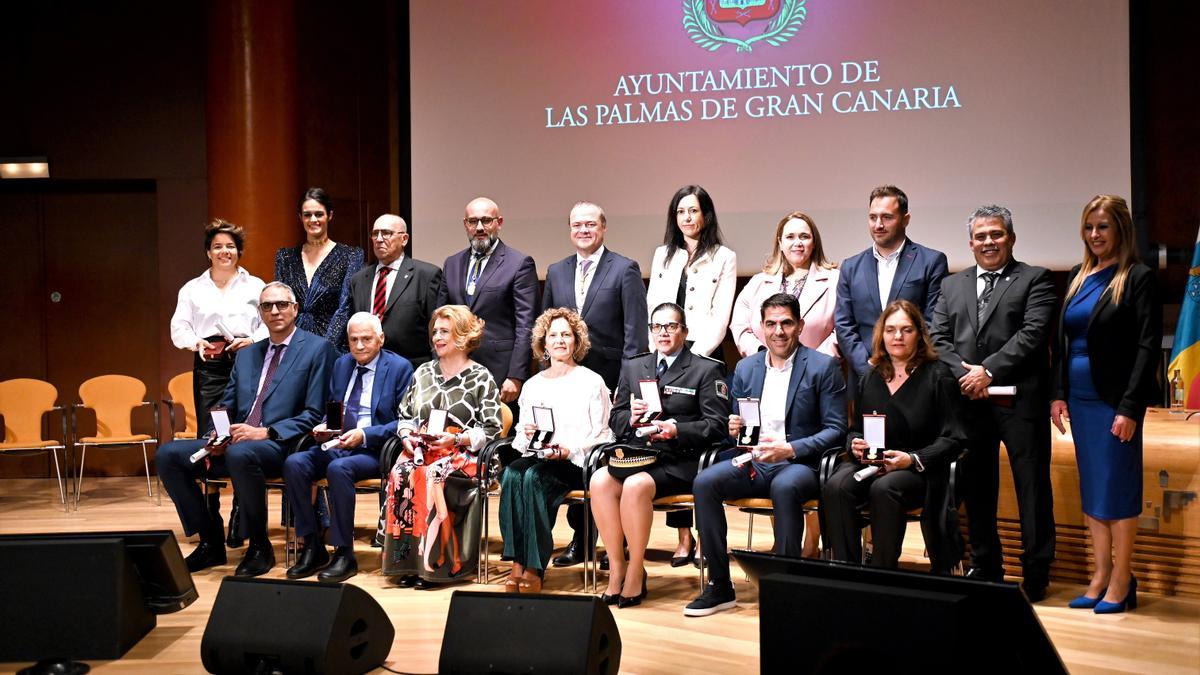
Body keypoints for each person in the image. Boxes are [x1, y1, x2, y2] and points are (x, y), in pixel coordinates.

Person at [156, 282, 336, 576]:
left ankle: (259, 547)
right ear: (260, 313)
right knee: (168, 455)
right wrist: (220, 433)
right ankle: (210, 542)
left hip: (281, 443)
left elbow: (315, 412)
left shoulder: (317, 349)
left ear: (295, 309)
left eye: (281, 305)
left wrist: (266, 432)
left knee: (242, 454)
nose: (275, 311)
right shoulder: (248, 354)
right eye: (267, 306)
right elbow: (226, 403)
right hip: (238, 441)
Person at [686, 293, 846, 617]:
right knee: (704, 482)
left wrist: (791, 448)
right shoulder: (746, 368)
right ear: (761, 328)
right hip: (754, 460)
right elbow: (740, 425)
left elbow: (836, 429)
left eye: (786, 323)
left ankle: (784, 586)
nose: (779, 331)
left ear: (800, 326)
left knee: (784, 488)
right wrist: (733, 427)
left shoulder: (823, 367)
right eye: (771, 324)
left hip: (798, 463)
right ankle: (719, 586)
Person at [930, 205, 1057, 600]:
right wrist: (967, 375)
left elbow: (1032, 334)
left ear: (1011, 238)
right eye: (981, 236)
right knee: (978, 487)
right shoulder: (952, 286)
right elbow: (937, 339)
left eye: (996, 234)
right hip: (969, 402)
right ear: (970, 243)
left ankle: (1036, 571)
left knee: (1031, 488)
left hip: (1020, 403)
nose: (989, 242)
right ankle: (986, 564)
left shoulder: (1036, 280)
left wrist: (988, 371)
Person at [1052, 195, 1161, 614]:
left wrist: (1130, 408)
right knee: (1094, 488)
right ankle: (1099, 575)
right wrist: (1058, 394)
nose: (1095, 235)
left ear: (1121, 230)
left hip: (1115, 402)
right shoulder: (1079, 277)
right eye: (1089, 228)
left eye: (1103, 227)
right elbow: (1062, 343)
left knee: (1118, 489)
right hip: (1078, 400)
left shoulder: (1137, 278)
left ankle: (1121, 579)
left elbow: (1147, 346)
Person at [591, 303, 729, 608]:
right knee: (600, 480)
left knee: (635, 485)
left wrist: (677, 430)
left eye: (671, 326)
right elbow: (615, 418)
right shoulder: (633, 366)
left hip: (683, 459)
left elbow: (717, 427)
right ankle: (618, 568)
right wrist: (631, 418)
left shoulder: (706, 369)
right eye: (658, 327)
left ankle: (635, 573)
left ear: (684, 331)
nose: (663, 332)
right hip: (640, 454)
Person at [541, 201, 647, 568]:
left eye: (590, 224)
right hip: (566, 383)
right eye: (576, 225)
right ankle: (582, 539)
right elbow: (547, 327)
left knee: (608, 461)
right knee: (576, 455)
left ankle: (619, 542)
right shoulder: (556, 271)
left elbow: (636, 331)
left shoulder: (624, 268)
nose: (583, 230)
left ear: (603, 227)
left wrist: (627, 385)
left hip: (611, 382)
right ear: (569, 229)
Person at [822, 300, 965, 572]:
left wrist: (912, 459)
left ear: (919, 335)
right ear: (881, 335)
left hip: (917, 470)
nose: (897, 337)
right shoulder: (871, 376)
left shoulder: (939, 376)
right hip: (871, 464)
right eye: (890, 330)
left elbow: (954, 439)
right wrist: (855, 444)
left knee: (884, 488)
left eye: (906, 330)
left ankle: (882, 573)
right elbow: (855, 429)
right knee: (836, 486)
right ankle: (846, 571)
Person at [282, 312, 414, 582]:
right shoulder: (342, 365)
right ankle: (312, 546)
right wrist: (324, 426)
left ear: (381, 339)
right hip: (338, 442)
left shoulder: (399, 367)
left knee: (339, 468)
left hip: (375, 449)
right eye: (354, 339)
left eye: (366, 339)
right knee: (295, 463)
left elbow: (405, 420)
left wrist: (364, 434)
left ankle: (344, 553)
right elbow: (334, 409)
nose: (360, 345)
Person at [380, 305, 503, 588]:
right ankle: (407, 563)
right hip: (423, 450)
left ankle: (439, 566)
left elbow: (492, 429)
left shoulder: (481, 377)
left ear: (462, 335)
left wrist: (457, 439)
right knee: (403, 473)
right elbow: (406, 416)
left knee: (435, 475)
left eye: (444, 331)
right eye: (435, 331)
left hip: (465, 454)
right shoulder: (423, 371)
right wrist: (407, 435)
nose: (437, 337)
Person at [645, 185, 737, 562]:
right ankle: (683, 537)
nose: (687, 217)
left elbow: (721, 313)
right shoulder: (661, 256)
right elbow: (654, 307)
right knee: (669, 444)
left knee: (699, 445)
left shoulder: (724, 257)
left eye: (694, 211)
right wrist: (664, 354)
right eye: (681, 211)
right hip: (666, 359)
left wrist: (692, 358)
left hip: (701, 361)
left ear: (706, 215)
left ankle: (705, 534)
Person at [498, 308, 614, 593]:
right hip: (541, 457)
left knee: (533, 478)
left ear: (576, 341)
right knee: (513, 474)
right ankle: (516, 563)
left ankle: (535, 567)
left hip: (576, 464)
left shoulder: (591, 381)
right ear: (544, 343)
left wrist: (569, 449)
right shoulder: (534, 384)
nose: (560, 340)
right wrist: (527, 435)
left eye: (566, 335)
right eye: (553, 335)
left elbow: (603, 434)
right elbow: (522, 440)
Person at [835, 185, 949, 385]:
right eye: (873, 217)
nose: (878, 224)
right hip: (865, 377)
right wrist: (867, 369)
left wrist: (907, 367)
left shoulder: (931, 261)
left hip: (915, 376)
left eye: (887, 217)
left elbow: (933, 321)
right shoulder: (851, 266)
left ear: (906, 219)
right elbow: (844, 324)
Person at [438, 197, 539, 407]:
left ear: (499, 223)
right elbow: (441, 319)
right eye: (473, 221)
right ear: (465, 224)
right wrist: (439, 363)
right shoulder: (452, 263)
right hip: (456, 369)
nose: (480, 227)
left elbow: (526, 325)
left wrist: (516, 375)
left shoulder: (519, 263)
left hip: (501, 373)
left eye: (486, 220)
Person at [169, 219, 266, 435]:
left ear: (239, 251)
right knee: (213, 424)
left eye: (230, 246)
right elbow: (179, 327)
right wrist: (196, 342)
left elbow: (269, 324)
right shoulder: (192, 288)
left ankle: (241, 465)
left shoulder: (256, 285)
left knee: (247, 418)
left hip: (247, 359)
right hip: (210, 365)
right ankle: (213, 468)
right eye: (218, 246)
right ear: (208, 252)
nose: (225, 251)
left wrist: (251, 340)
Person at [731, 211, 840, 358]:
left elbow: (843, 330)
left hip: (816, 374)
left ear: (814, 243)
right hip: (766, 371)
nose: (797, 243)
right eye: (790, 237)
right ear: (780, 243)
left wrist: (815, 364)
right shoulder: (758, 282)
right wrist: (763, 357)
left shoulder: (835, 280)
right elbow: (740, 326)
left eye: (804, 237)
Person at [348, 214, 445, 367]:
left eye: (386, 233)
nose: (379, 239)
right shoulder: (358, 279)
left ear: (404, 239)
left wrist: (436, 372)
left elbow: (437, 329)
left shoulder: (427, 275)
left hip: (413, 369)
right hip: (368, 368)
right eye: (375, 234)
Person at [275, 187, 365, 351]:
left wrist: (323, 348)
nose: (313, 219)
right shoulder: (285, 257)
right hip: (292, 344)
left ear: (329, 215)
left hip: (332, 347)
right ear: (300, 217)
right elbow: (280, 304)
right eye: (307, 215)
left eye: (319, 214)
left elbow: (345, 307)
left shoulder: (350, 256)